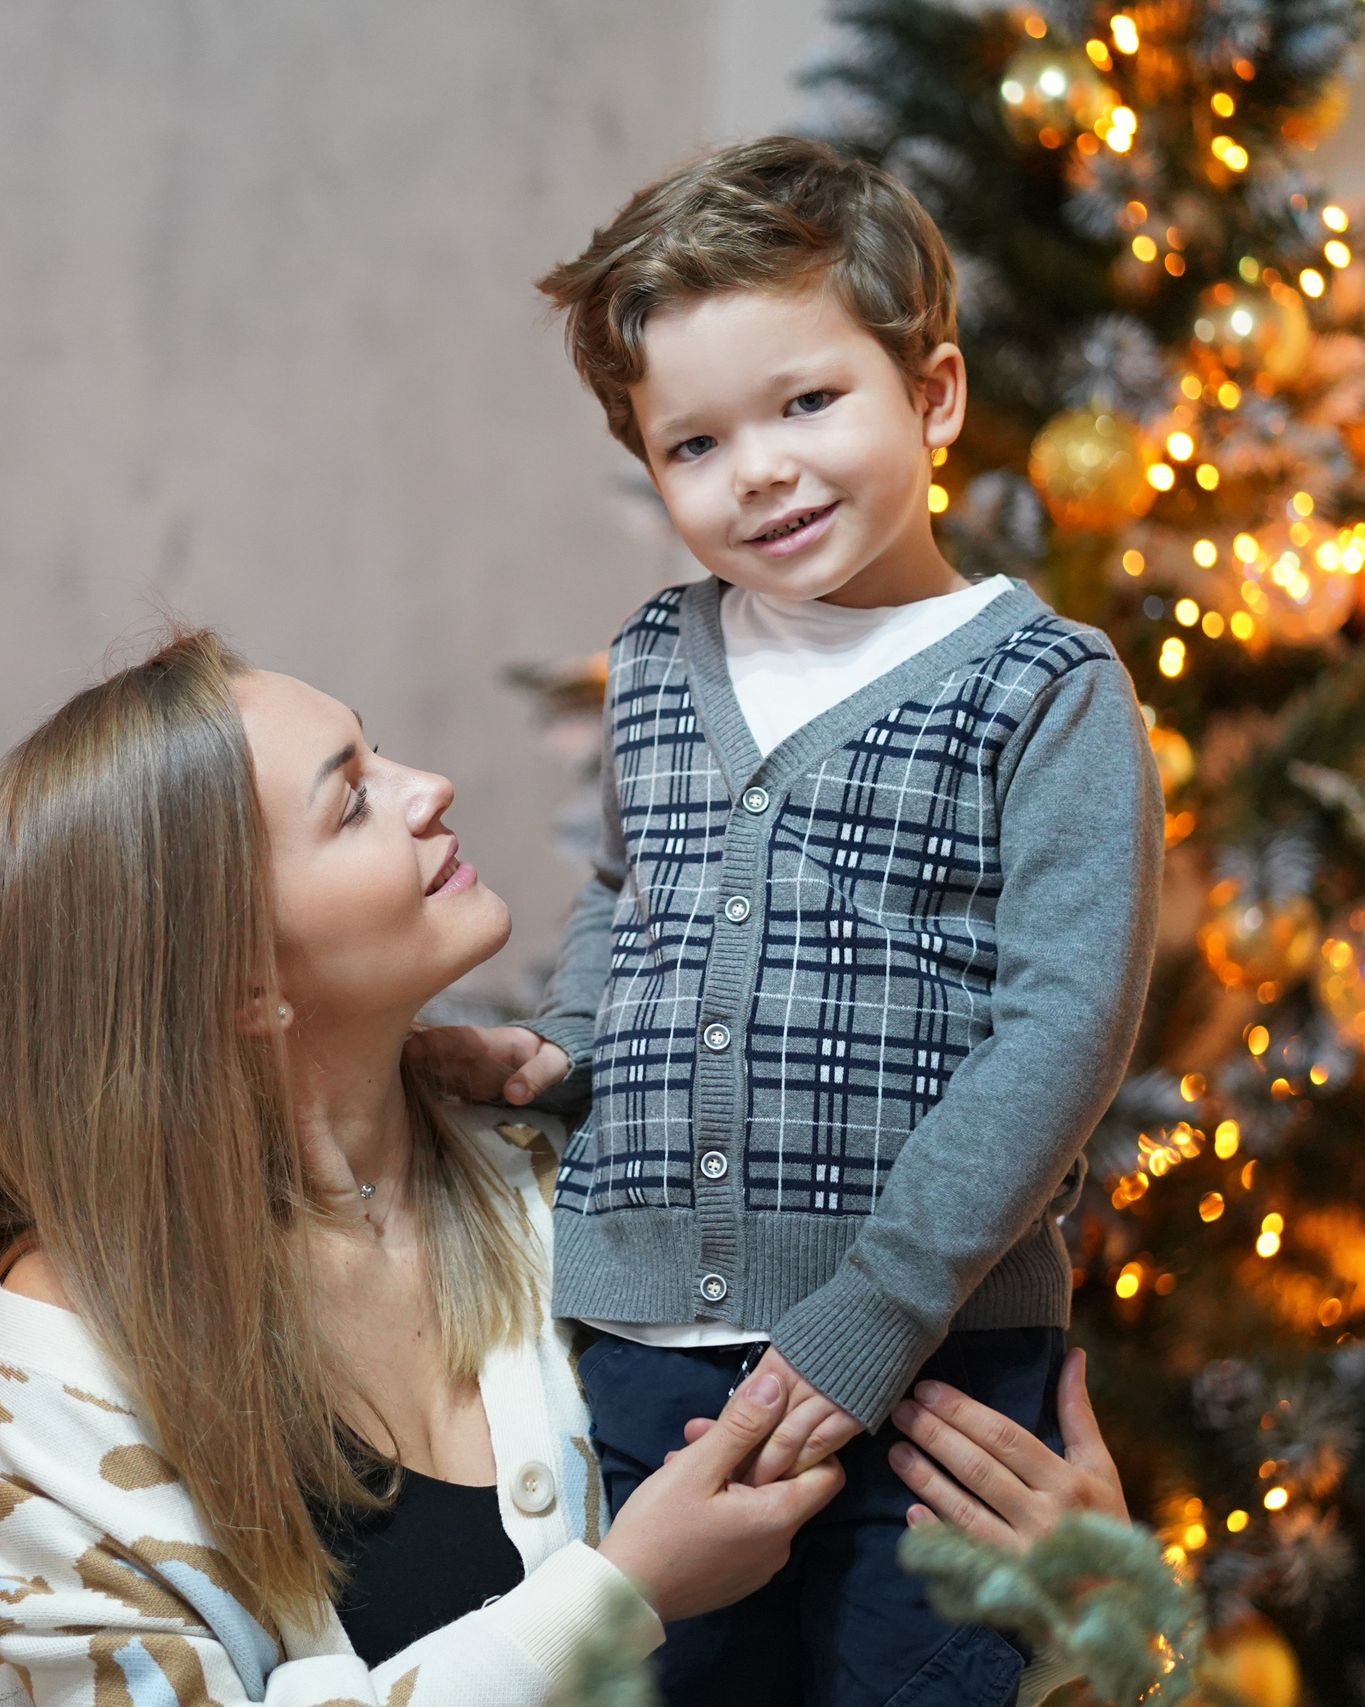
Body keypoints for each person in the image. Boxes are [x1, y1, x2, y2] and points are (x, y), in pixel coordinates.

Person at [0, 631, 1131, 1707]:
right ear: (240, 982)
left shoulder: (570, 1176)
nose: (428, 788)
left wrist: (1084, 1640)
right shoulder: (75, 1353)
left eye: (378, 754)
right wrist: (617, 1598)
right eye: (351, 800)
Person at [412, 136, 1162, 1707]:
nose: (755, 469)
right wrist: (563, 1046)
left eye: (807, 403)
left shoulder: (1045, 688)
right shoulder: (662, 655)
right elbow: (636, 894)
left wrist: (869, 1315)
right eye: (693, 443)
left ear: (933, 395)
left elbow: (1065, 1028)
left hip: (940, 1354)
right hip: (647, 1341)